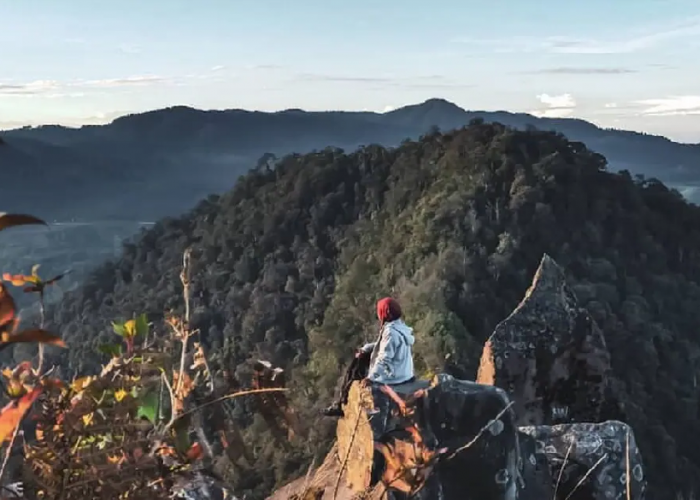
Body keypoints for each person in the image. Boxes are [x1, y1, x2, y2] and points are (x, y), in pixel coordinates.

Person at [322, 297, 416, 417]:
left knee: (359, 362)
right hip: (404, 372)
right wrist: (366, 348)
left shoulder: (391, 332)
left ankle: (342, 402)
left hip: (396, 377)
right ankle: (342, 400)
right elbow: (382, 345)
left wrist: (371, 378)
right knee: (361, 357)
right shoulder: (399, 326)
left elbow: (384, 358)